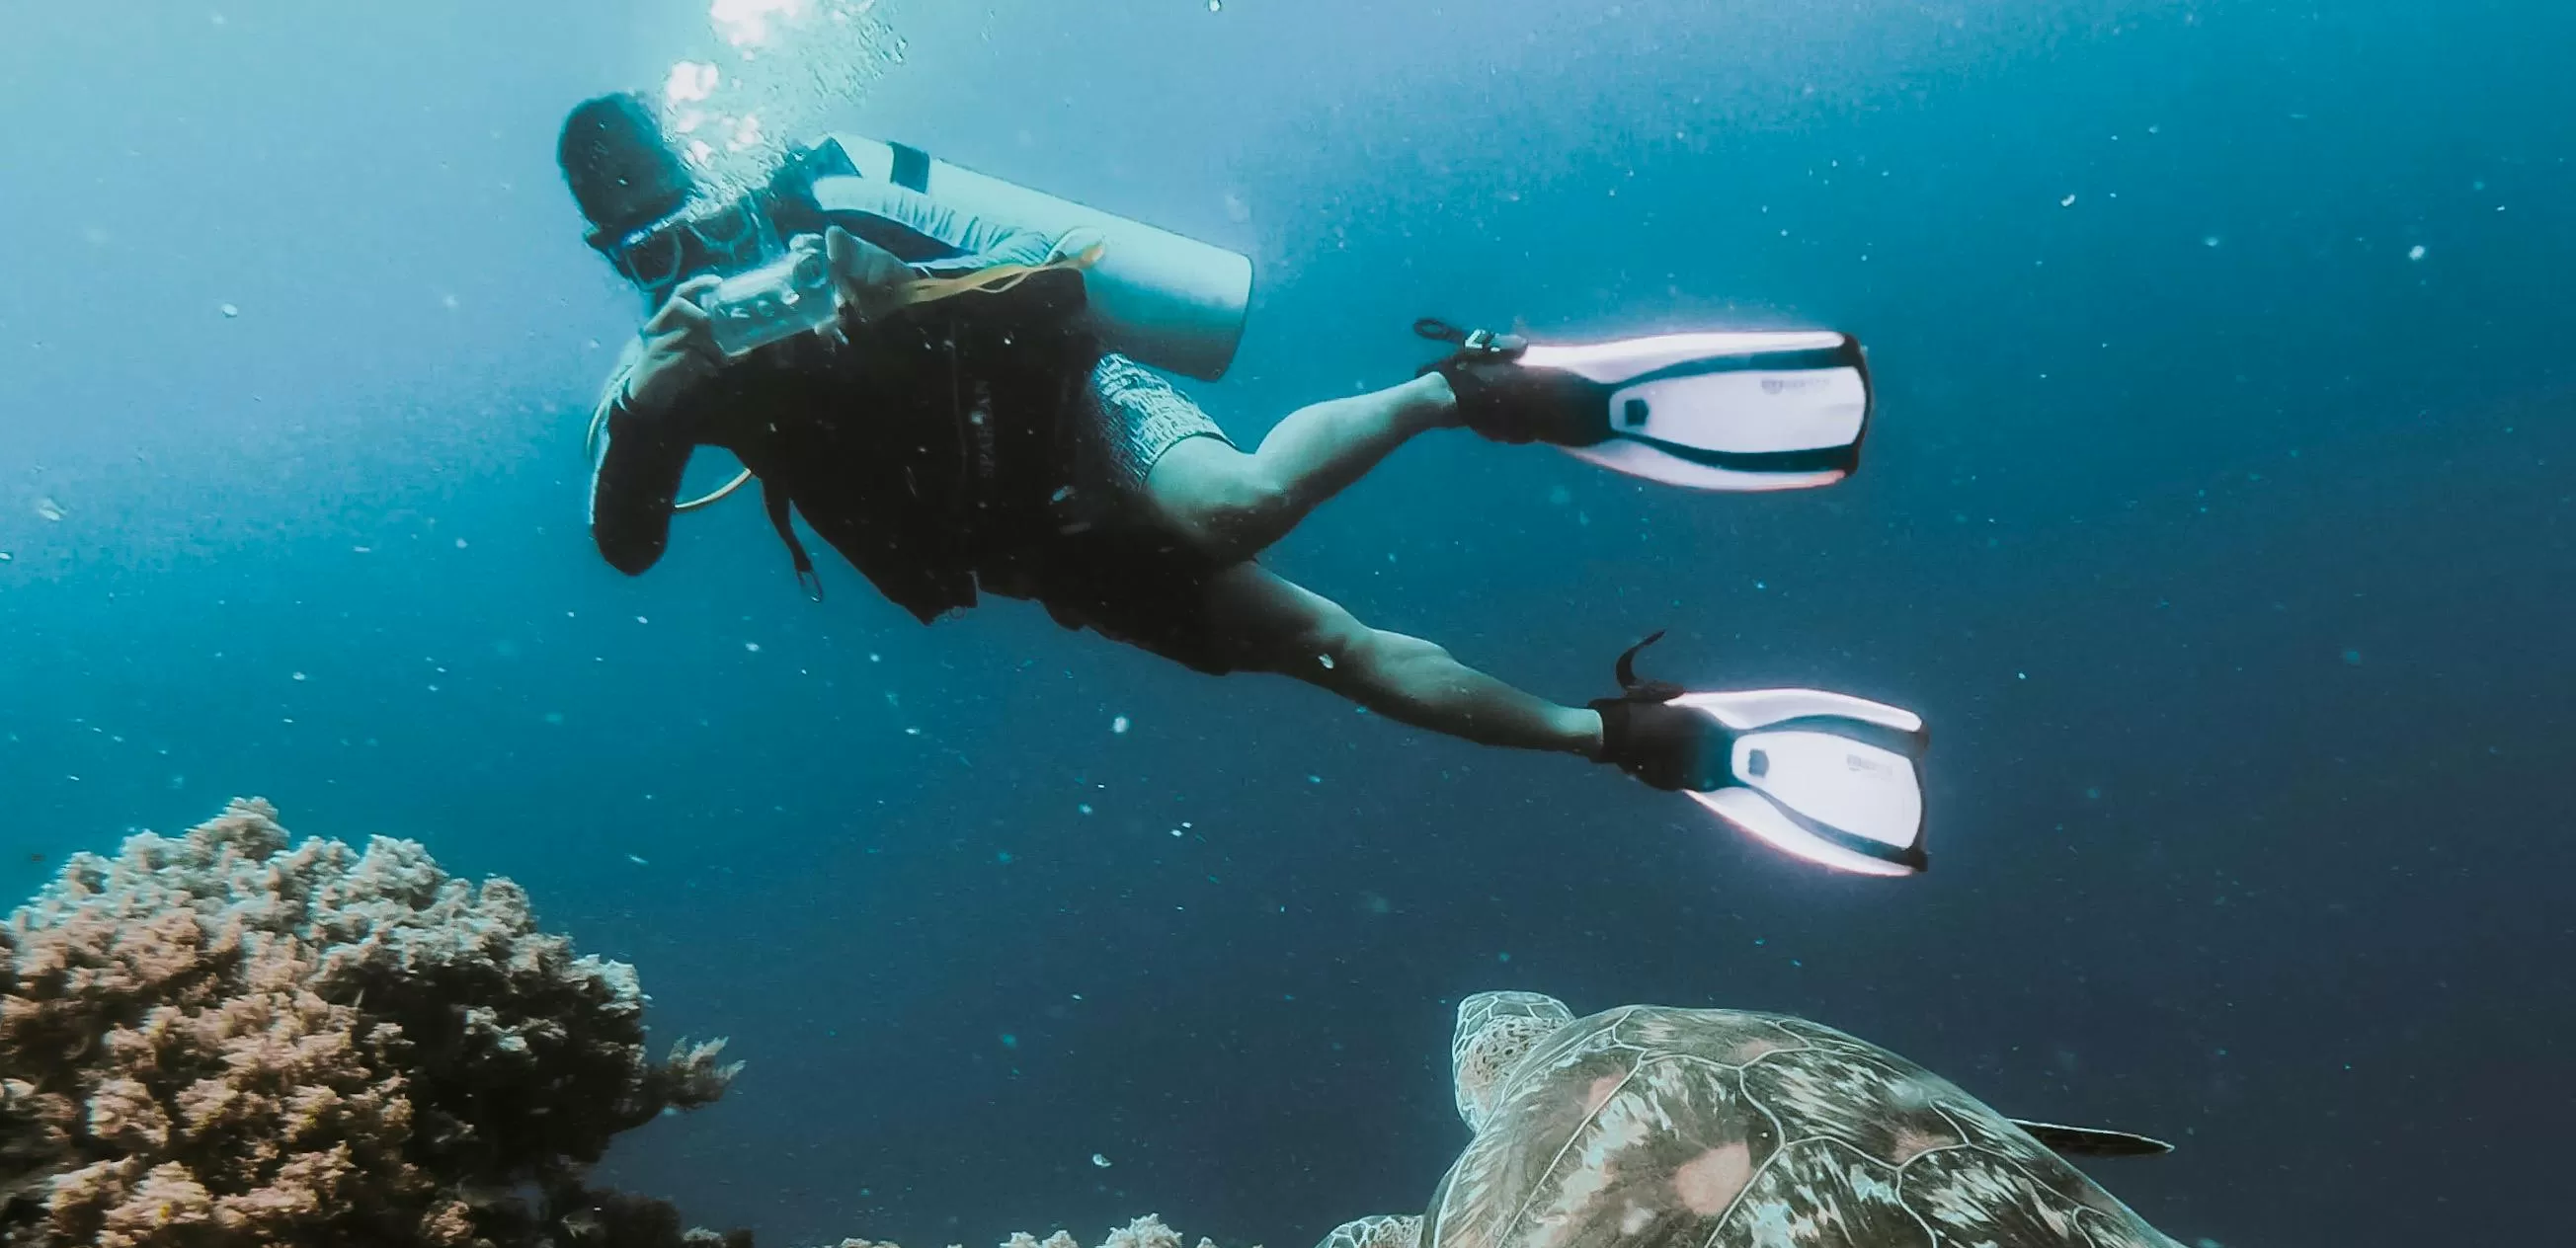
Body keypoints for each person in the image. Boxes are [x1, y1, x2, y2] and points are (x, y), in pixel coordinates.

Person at [559, 94, 1799, 797]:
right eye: (650, 253)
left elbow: (1053, 277)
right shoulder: (667, 375)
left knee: (1235, 502)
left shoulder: (832, 208)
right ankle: (1616, 735)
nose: (695, 264)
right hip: (1029, 545)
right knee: (1324, 647)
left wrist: (899, 286)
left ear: (718, 185)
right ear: (616, 262)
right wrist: (655, 410)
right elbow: (623, 548)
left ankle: (1457, 390)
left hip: (1080, 409)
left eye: (697, 224)